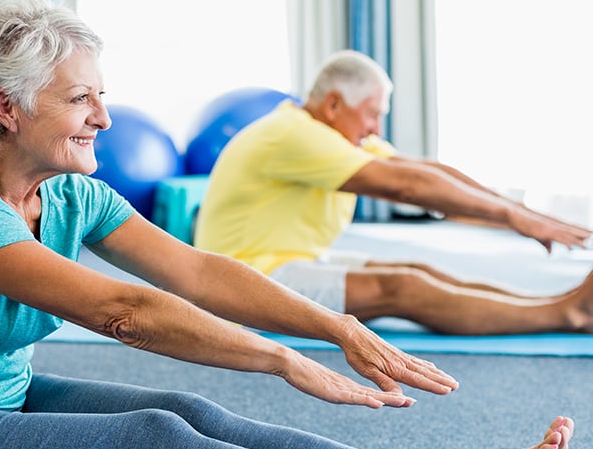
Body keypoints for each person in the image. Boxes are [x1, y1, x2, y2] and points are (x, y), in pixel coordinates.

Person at [0, 0, 573, 449]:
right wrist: (280, 357)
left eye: (102, 94)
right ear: (7, 107)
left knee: (189, 411)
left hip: (0, 399)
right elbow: (124, 312)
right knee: (150, 442)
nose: (104, 117)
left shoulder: (71, 192)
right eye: (80, 99)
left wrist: (334, 326)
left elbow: (193, 269)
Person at [193, 49, 593, 336]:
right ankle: (567, 314)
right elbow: (410, 187)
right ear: (333, 104)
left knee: (421, 271)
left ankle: (558, 304)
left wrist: (519, 209)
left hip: (287, 260)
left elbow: (424, 171)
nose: (376, 130)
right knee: (403, 288)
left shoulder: (331, 135)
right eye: (372, 114)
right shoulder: (293, 135)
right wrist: (513, 218)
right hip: (244, 282)